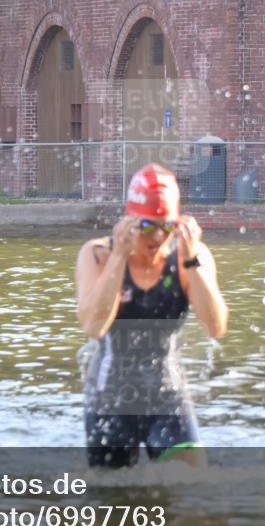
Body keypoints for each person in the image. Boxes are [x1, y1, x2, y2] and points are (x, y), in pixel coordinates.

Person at [75, 163, 228, 468]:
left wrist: (191, 260)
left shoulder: (191, 256)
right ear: (130, 220)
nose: (158, 236)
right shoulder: (99, 254)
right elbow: (93, 326)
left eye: (167, 226)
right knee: (113, 501)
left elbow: (215, 327)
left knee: (192, 487)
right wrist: (119, 257)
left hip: (167, 395)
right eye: (147, 226)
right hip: (110, 398)